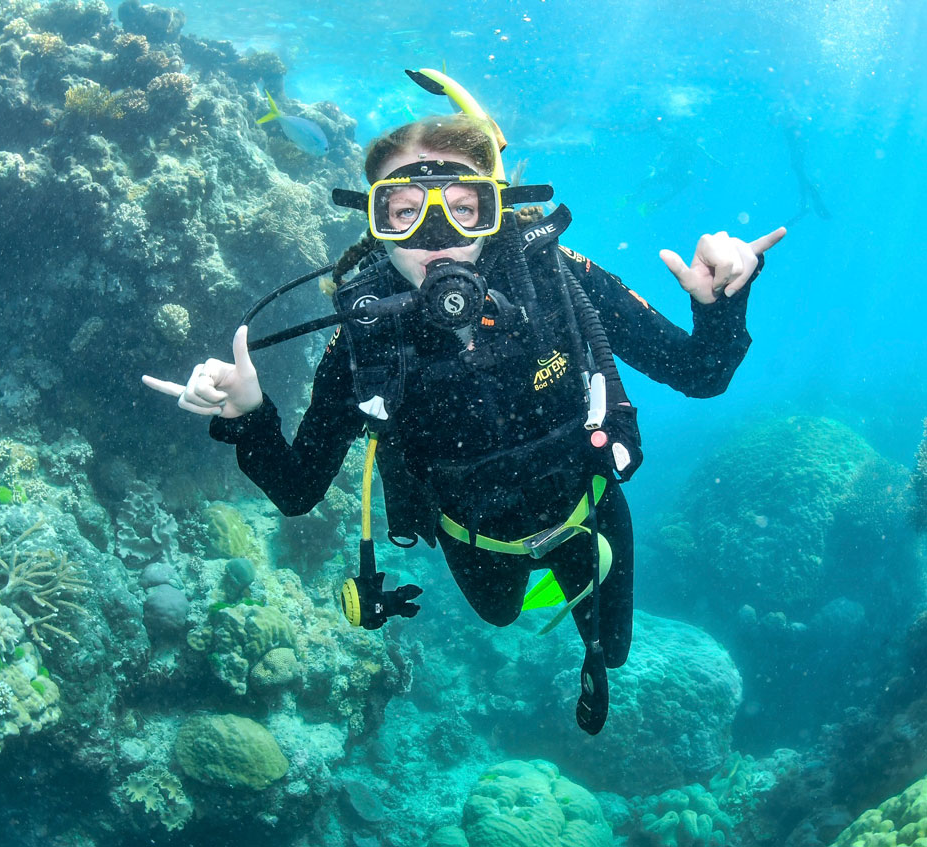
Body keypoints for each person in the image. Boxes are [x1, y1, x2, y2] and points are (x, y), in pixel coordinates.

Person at [143, 70, 785, 733]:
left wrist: (722, 307)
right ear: (375, 221)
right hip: (475, 543)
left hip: (590, 511)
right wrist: (249, 415)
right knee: (501, 615)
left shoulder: (559, 278)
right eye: (404, 209)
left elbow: (701, 372)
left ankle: (569, 588)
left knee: (613, 652)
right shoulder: (364, 339)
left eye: (461, 205)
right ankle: (541, 589)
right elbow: (297, 488)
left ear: (496, 206)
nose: (434, 233)